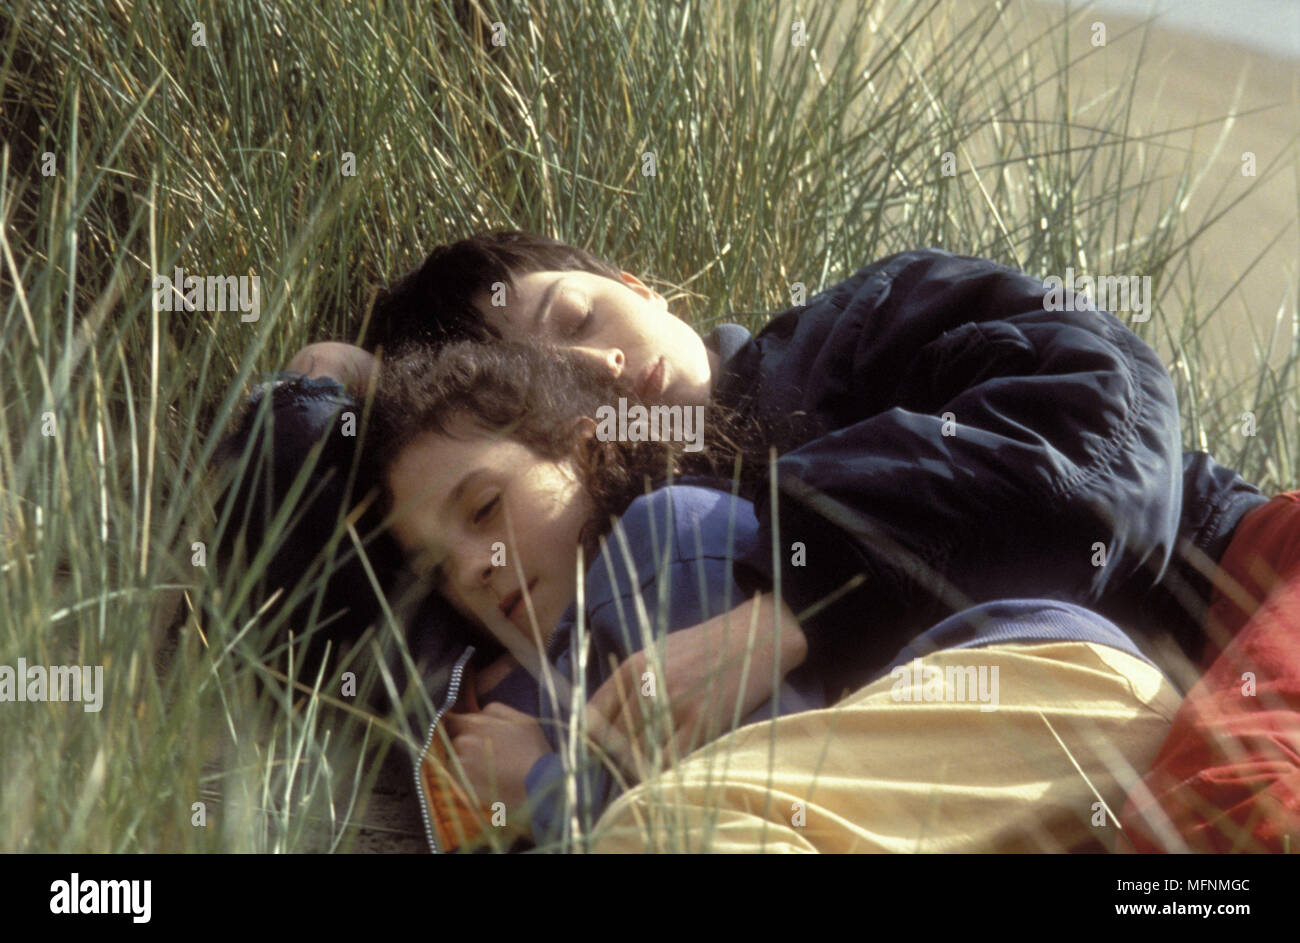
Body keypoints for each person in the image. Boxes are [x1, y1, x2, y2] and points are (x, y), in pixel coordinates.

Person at [294, 232, 1242, 752]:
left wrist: (787, 609)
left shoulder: (860, 328)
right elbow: (311, 570)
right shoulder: (626, 571)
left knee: (1246, 811)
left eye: (578, 316)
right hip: (1067, 761)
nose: (605, 367)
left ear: (640, 284)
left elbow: (1098, 420)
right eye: (555, 379)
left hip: (1238, 591)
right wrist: (331, 393)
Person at [370, 338, 1181, 853]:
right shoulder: (529, 687)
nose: (472, 567)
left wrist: (549, 790)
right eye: (435, 567)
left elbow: (760, 786)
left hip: (1048, 693)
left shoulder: (665, 540)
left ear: (587, 450)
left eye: (485, 507)